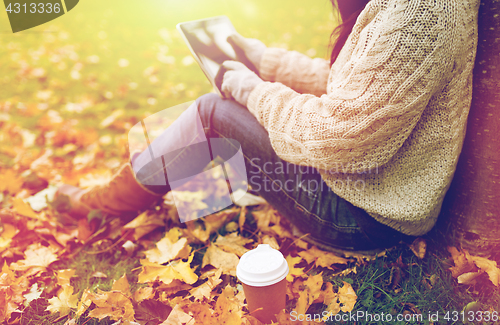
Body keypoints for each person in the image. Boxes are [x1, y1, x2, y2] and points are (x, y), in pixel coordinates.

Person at [57, 0, 480, 252]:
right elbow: (361, 92)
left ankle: (104, 204)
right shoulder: (414, 10)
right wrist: (263, 61)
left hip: (365, 217)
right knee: (218, 130)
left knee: (213, 114)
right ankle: (144, 196)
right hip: (372, 194)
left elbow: (339, 135)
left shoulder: (421, 14)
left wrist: (248, 86)